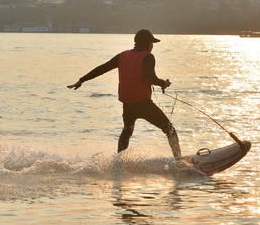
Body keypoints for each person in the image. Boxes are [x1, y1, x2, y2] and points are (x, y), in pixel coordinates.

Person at [67, 29, 183, 160]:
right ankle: (179, 161)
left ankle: (118, 162)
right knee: (169, 129)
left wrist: (82, 80)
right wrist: (163, 83)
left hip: (128, 105)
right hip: (143, 104)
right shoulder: (148, 57)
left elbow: (102, 68)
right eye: (152, 42)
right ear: (147, 43)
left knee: (127, 131)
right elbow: (150, 77)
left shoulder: (122, 56)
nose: (152, 46)